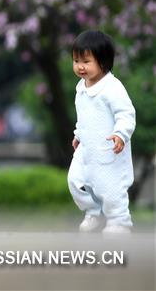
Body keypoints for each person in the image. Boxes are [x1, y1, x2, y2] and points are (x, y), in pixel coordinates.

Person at [68, 30, 135, 234]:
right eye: (76, 60)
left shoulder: (112, 88)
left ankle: (119, 223)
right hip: (87, 150)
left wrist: (120, 134)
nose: (80, 66)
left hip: (109, 151)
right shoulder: (81, 88)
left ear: (103, 63)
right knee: (75, 181)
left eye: (86, 61)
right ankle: (92, 211)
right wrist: (78, 135)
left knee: (112, 190)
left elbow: (126, 113)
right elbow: (84, 117)